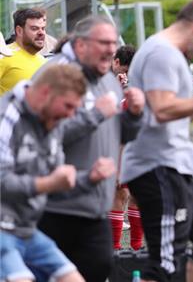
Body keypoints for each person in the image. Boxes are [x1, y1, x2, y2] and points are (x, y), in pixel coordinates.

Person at [119, 0, 193, 282]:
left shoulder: (169, 53)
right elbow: (162, 109)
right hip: (158, 168)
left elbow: (176, 113)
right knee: (165, 264)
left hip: (171, 166)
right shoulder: (163, 54)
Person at [37, 15, 145, 282]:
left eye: (113, 43)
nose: (111, 49)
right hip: (58, 204)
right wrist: (95, 115)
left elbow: (114, 129)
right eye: (103, 43)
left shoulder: (107, 77)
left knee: (99, 266)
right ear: (82, 44)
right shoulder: (57, 74)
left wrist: (132, 116)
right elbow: (44, 132)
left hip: (94, 203)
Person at [0, 64, 114, 282]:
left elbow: (55, 187)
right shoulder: (7, 116)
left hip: (26, 231)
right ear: (45, 93)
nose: (71, 115)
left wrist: (89, 178)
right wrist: (49, 183)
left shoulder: (52, 122)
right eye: (68, 106)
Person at [107, 44, 145, 252]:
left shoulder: (138, 81)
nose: (127, 75)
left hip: (137, 146)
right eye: (124, 71)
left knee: (137, 195)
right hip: (112, 145)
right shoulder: (101, 76)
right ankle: (114, 248)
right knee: (119, 194)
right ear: (116, 63)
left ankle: (137, 249)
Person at [0, 7, 46, 95]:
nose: (41, 33)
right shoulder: (4, 56)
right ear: (19, 31)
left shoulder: (43, 61)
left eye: (43, 28)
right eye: (34, 28)